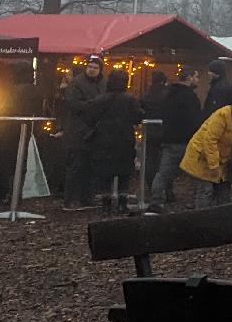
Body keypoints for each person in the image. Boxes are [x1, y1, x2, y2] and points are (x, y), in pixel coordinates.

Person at [179, 93, 232, 210]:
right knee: (205, 190)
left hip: (222, 160)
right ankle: (201, 219)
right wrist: (214, 165)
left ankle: (219, 217)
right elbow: (210, 140)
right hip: (202, 157)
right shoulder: (222, 115)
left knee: (223, 191)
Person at [85, 69, 146, 211]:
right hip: (124, 138)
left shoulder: (100, 99)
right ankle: (122, 203)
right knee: (124, 172)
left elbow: (90, 118)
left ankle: (106, 203)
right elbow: (138, 117)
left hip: (103, 139)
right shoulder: (130, 99)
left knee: (105, 172)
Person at [147, 67, 204, 210]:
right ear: (189, 77)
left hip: (169, 140)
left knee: (163, 173)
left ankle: (156, 201)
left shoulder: (168, 94)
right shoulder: (190, 97)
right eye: (196, 77)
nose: (197, 80)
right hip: (187, 141)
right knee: (197, 174)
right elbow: (195, 120)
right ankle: (199, 202)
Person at [57, 54, 108, 208]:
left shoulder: (103, 84)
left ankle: (87, 197)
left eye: (95, 67)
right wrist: (95, 105)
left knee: (91, 167)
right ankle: (71, 198)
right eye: (90, 67)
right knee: (76, 167)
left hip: (94, 131)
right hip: (78, 131)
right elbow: (74, 104)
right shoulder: (76, 84)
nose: (91, 70)